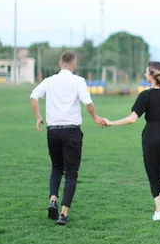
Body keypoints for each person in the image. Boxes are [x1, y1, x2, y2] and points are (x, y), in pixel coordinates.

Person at [103, 61, 160, 221]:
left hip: (150, 135)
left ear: (153, 75)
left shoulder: (144, 95)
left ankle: (158, 213)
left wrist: (111, 122)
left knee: (153, 172)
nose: (145, 74)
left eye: (147, 72)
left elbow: (132, 119)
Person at [30, 50, 105, 225]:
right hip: (71, 131)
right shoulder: (78, 81)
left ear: (59, 63)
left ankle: (53, 201)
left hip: (53, 131)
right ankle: (63, 214)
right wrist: (95, 118)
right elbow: (87, 101)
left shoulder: (49, 81)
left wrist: (38, 117)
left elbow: (33, 96)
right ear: (74, 64)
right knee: (71, 174)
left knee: (57, 168)